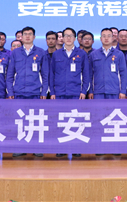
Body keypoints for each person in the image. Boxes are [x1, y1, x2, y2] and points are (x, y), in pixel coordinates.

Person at [7, 26, 49, 158]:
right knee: (20, 121)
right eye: (25, 34)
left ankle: (36, 147)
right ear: (21, 36)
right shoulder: (15, 53)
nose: (27, 36)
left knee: (36, 120)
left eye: (30, 34)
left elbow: (45, 74)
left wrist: (44, 92)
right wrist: (10, 91)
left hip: (36, 92)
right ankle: (20, 147)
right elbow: (10, 74)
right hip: (19, 92)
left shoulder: (41, 52)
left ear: (34, 37)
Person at [49, 27, 89, 158]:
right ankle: (61, 148)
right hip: (59, 92)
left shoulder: (81, 54)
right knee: (61, 120)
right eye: (66, 35)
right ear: (62, 38)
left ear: (75, 38)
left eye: (71, 36)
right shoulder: (56, 54)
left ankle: (76, 147)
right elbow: (51, 74)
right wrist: (52, 91)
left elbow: (86, 74)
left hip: (76, 92)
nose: (68, 38)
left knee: (75, 119)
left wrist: (84, 91)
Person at [88, 28, 127, 100]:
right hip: (98, 92)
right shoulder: (93, 54)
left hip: (114, 92)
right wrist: (90, 91)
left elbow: (123, 74)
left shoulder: (119, 54)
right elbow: (90, 75)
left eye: (109, 36)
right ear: (100, 39)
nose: (106, 38)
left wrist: (123, 91)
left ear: (112, 38)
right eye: (104, 36)